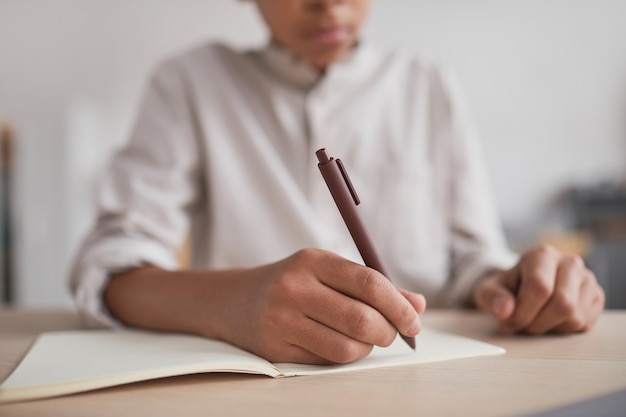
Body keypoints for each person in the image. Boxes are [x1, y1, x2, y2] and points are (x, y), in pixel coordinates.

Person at [70, 0, 605, 365]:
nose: (328, 3)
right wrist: (228, 301)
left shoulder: (427, 84)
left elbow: (473, 258)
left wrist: (514, 288)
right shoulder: (190, 83)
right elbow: (111, 268)